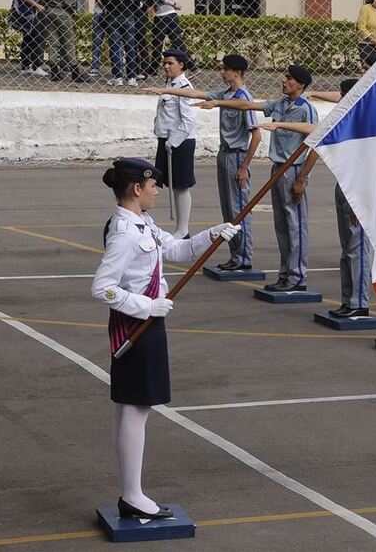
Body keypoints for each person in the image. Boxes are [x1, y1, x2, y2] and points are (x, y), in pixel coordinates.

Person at [91, 158, 238, 520]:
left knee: (131, 408)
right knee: (135, 408)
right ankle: (133, 495)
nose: (158, 190)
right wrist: (146, 306)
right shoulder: (125, 233)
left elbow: (175, 251)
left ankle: (131, 493)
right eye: (153, 185)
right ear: (136, 189)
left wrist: (212, 235)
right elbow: (102, 288)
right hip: (137, 327)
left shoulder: (144, 223)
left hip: (146, 321)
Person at [264, 78, 376, 318]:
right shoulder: (347, 120)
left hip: (358, 189)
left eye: (344, 96)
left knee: (357, 248)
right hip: (344, 185)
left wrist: (362, 199)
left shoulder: (366, 125)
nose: (340, 100)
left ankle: (359, 302)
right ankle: (349, 300)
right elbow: (316, 130)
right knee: (347, 249)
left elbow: (371, 165)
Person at [201, 66, 318, 291]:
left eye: (290, 78)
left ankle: (297, 277)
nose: (284, 81)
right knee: (282, 225)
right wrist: (218, 103)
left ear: (301, 85)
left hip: (293, 169)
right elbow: (247, 105)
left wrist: (302, 179)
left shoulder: (306, 109)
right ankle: (285, 274)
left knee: (295, 225)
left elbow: (314, 135)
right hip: (278, 168)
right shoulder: (280, 104)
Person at [143, 54, 261, 270]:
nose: (221, 72)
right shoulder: (225, 94)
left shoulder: (245, 98)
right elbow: (194, 93)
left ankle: (244, 258)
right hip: (224, 153)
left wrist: (245, 166)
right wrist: (166, 90)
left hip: (237, 155)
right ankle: (236, 257)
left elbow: (257, 135)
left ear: (237, 72)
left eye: (225, 69)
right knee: (228, 208)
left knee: (239, 208)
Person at [145, 49, 198, 238]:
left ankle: (183, 229)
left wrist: (174, 141)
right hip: (167, 140)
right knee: (174, 185)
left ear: (181, 65)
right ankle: (180, 228)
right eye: (165, 63)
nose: (166, 66)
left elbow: (189, 119)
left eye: (170, 63)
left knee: (181, 185)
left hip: (180, 142)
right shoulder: (171, 84)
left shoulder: (183, 87)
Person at [39, 0, 88, 83]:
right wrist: (72, 11)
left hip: (49, 11)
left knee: (53, 40)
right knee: (68, 41)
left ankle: (54, 71)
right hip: (62, 12)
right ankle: (75, 72)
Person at [139, 0, 192, 74]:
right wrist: (174, 4)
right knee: (178, 41)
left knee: (157, 43)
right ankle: (192, 66)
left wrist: (172, 3)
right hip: (172, 14)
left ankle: (152, 69)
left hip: (162, 14)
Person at [100, 0, 142, 87]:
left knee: (115, 47)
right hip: (129, 16)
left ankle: (118, 77)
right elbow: (137, 1)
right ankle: (131, 77)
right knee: (130, 47)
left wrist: (111, 6)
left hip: (113, 17)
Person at [12, 0, 47, 76]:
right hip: (26, 12)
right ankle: (36, 66)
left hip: (31, 12)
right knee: (38, 37)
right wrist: (37, 5)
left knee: (28, 38)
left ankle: (26, 66)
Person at [129, 0, 158, 81]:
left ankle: (144, 70)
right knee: (131, 43)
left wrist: (143, 4)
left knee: (141, 43)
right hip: (129, 16)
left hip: (141, 16)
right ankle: (133, 70)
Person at [89, 0, 112, 76]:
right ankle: (95, 67)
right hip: (100, 12)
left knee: (115, 41)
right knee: (98, 39)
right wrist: (105, 7)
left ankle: (118, 67)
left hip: (115, 14)